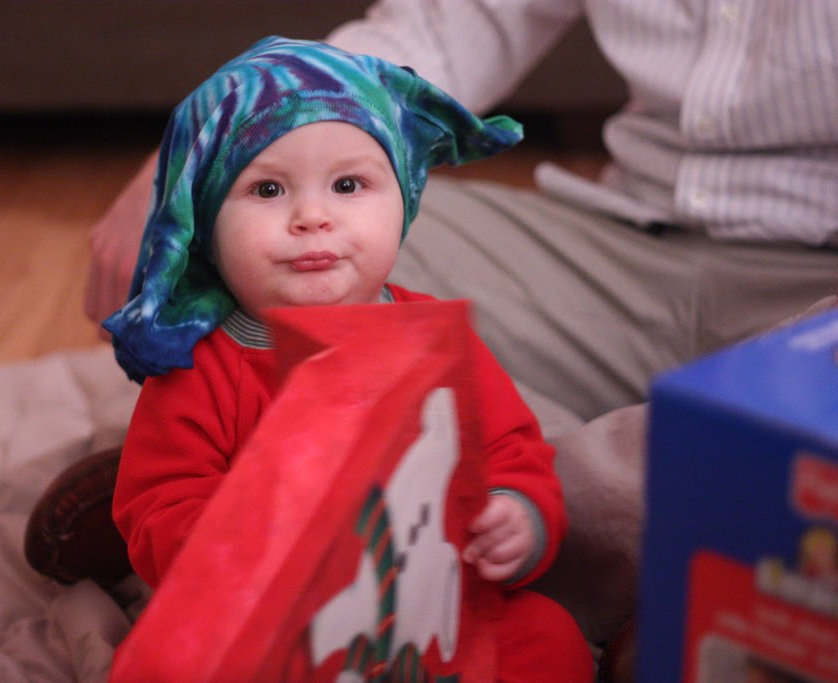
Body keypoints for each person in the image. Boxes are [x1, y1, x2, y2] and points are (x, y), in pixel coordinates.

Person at [86, 0, 838, 422]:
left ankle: (541, 502)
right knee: (278, 247)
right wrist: (191, 164)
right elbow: (441, 28)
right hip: (628, 238)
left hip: (816, 283)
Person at [106, 36, 592, 680]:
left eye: (347, 184)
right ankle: (99, 493)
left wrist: (517, 515)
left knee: (548, 638)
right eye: (268, 189)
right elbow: (158, 506)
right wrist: (238, 541)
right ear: (206, 224)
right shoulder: (202, 366)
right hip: (267, 625)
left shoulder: (431, 339)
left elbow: (510, 449)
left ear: (404, 200)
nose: (313, 216)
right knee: (164, 663)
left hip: (422, 614)